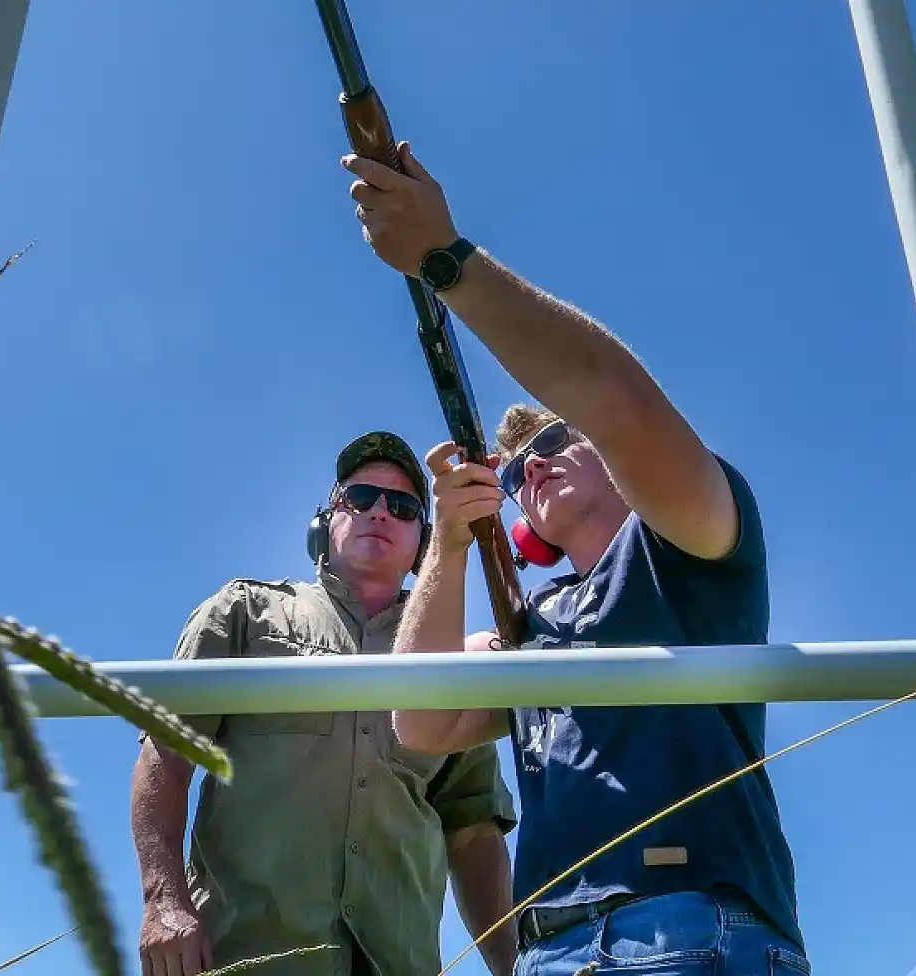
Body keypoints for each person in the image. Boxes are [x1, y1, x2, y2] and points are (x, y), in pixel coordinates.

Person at [341, 142, 810, 974]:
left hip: (692, 929)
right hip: (552, 953)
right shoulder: (534, 628)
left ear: (615, 460)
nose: (535, 465)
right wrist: (448, 545)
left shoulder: (690, 545)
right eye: (517, 470)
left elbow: (617, 401)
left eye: (557, 438)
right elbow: (418, 720)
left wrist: (445, 258)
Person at [129, 431, 519, 976]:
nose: (380, 512)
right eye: (359, 498)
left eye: (403, 506)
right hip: (245, 957)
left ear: (423, 545)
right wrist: (163, 901)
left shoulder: (447, 658)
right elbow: (164, 755)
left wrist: (512, 964)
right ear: (325, 522)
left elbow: (473, 829)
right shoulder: (245, 613)